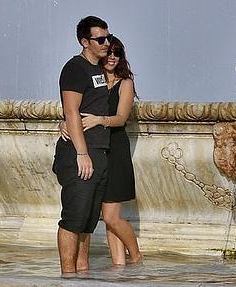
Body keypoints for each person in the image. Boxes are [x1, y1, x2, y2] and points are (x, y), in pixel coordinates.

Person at [60, 36, 142, 266]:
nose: (113, 56)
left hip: (115, 150)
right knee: (102, 216)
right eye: (110, 52)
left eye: (118, 53)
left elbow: (121, 118)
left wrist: (99, 120)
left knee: (111, 216)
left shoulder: (125, 83)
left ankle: (136, 257)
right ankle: (119, 267)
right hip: (95, 149)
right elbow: (73, 108)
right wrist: (63, 123)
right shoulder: (92, 77)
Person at [52, 15, 112, 276]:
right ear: (84, 41)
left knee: (87, 222)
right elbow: (72, 111)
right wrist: (82, 153)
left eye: (107, 38)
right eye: (100, 39)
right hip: (80, 153)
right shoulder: (75, 68)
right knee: (73, 219)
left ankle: (82, 274)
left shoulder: (99, 69)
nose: (106, 43)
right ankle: (67, 275)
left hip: (98, 151)